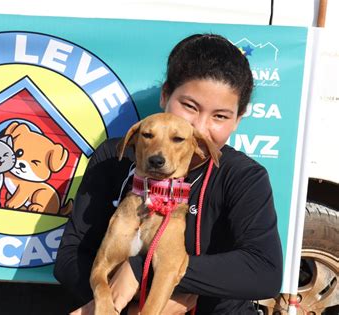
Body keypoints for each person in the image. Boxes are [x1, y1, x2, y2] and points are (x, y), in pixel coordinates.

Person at [54, 33, 283, 314]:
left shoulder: (243, 177)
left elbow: (265, 272)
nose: (200, 126)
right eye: (189, 106)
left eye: (220, 116)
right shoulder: (113, 158)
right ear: (165, 95)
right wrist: (125, 307)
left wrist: (140, 269)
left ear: (238, 119)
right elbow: (69, 258)